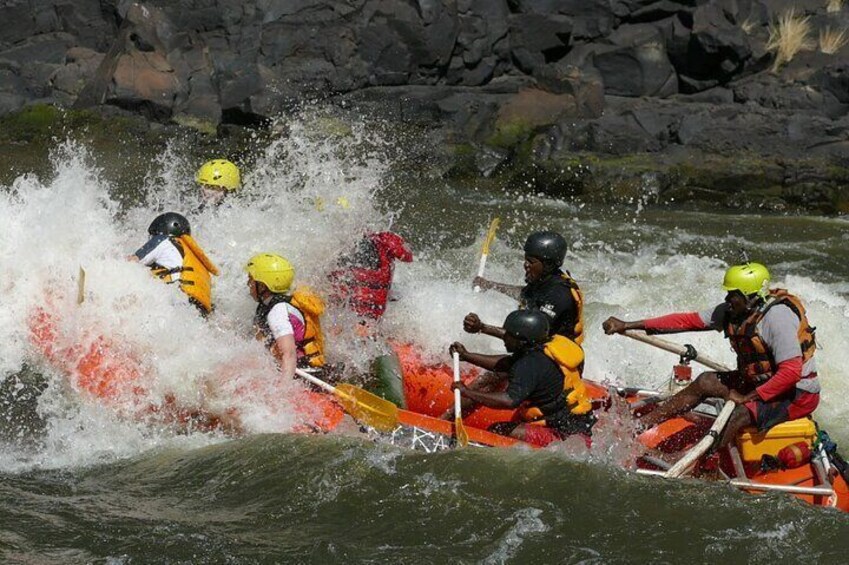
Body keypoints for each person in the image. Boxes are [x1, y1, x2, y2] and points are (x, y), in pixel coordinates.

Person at [602, 262, 820, 448]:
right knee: (706, 380)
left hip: (797, 393)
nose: (727, 298)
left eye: (733, 294)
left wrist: (747, 398)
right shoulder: (732, 311)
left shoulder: (777, 318)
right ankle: (638, 426)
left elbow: (791, 373)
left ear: (751, 297)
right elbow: (686, 321)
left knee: (740, 414)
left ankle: (705, 462)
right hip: (761, 382)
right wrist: (629, 325)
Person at [450, 310, 595, 447]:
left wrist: (468, 392)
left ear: (522, 341)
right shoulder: (545, 347)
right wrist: (466, 355)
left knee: (498, 429)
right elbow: (507, 363)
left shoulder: (531, 364)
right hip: (579, 426)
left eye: (509, 335)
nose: (504, 337)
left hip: (563, 438)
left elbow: (509, 400)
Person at [465, 231, 584, 346]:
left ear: (548, 265)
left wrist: (482, 327)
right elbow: (525, 294)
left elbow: (528, 334)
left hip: (555, 361)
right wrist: (490, 285)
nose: (525, 265)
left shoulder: (559, 294)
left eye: (531, 262)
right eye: (526, 259)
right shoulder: (545, 280)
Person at [245, 253, 327, 379]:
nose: (248, 284)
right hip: (296, 369)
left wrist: (283, 392)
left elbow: (288, 354)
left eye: (251, 280)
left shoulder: (278, 312)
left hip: (306, 375)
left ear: (262, 286)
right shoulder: (269, 305)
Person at [131, 212, 219, 316]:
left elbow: (131, 262)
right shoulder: (196, 262)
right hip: (197, 313)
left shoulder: (162, 239)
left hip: (174, 301)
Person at [328, 231, 413, 321]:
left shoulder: (338, 240)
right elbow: (407, 256)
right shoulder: (384, 238)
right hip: (372, 306)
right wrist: (398, 238)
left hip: (344, 303)